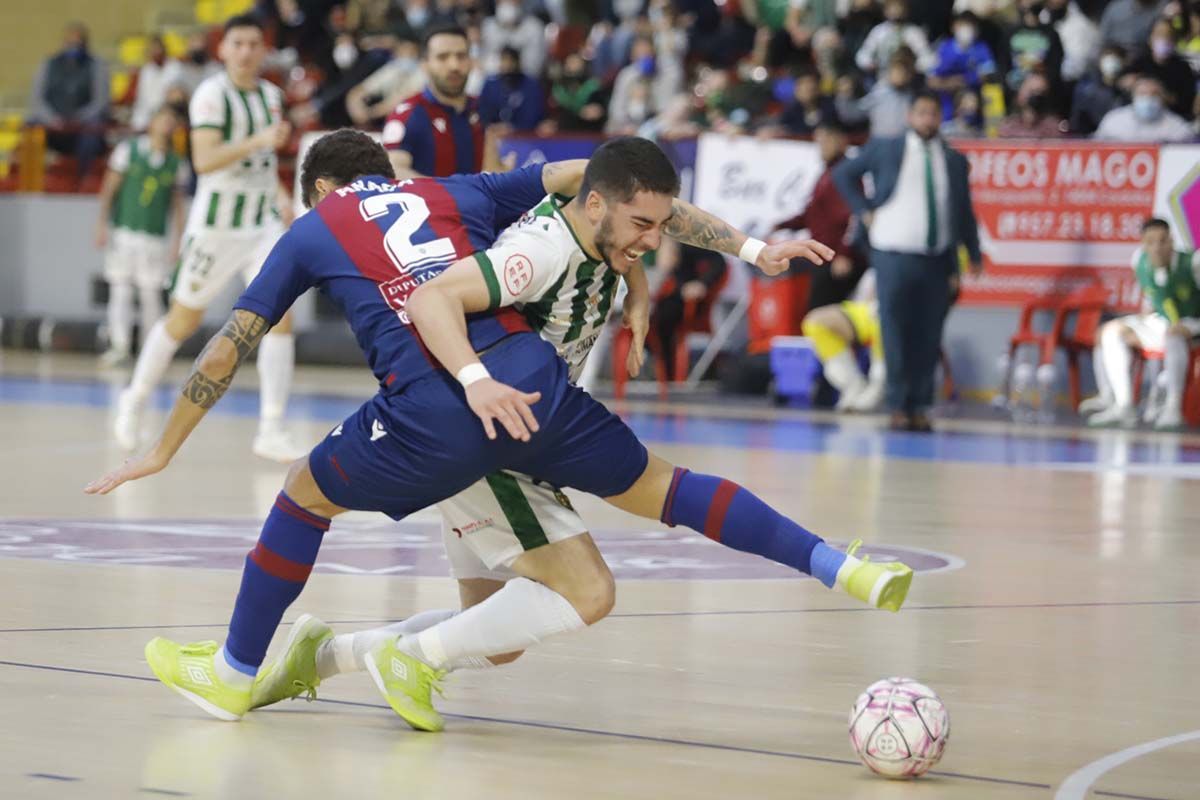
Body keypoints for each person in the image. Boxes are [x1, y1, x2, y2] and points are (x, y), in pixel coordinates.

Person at [85, 132, 913, 730]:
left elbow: (233, 342)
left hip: (440, 410)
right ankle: (836, 565)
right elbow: (606, 176)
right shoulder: (458, 192)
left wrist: (163, 448)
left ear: (321, 193)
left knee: (302, 495)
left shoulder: (313, 227)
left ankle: (235, 672)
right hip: (540, 388)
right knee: (667, 491)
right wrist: (750, 246)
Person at [111, 15, 300, 462]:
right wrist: (258, 140)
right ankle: (134, 399)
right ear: (223, 49)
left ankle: (271, 427)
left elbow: (263, 163)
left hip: (262, 227)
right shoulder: (211, 95)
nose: (247, 51)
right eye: (238, 43)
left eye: (255, 43)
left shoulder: (272, 97)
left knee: (282, 316)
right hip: (216, 229)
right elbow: (205, 160)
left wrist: (280, 196)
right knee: (183, 321)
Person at [833, 90, 983, 433]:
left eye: (933, 114)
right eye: (922, 113)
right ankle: (899, 405)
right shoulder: (887, 148)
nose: (927, 120)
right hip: (892, 254)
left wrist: (971, 254)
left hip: (936, 257)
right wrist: (863, 209)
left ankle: (920, 405)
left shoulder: (953, 159)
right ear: (909, 116)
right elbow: (843, 174)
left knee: (928, 333)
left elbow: (963, 212)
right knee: (896, 330)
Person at [1082, 218, 1200, 429]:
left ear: (1171, 241)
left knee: (1174, 333)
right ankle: (1121, 403)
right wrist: (1142, 322)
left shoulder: (1193, 263)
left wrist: (1191, 327)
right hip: (1163, 323)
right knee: (1110, 331)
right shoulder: (1139, 261)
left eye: (1162, 241)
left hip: (1194, 324)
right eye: (1150, 242)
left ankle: (1173, 408)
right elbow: (1152, 298)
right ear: (1143, 244)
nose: (1157, 248)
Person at [93, 106, 189, 367]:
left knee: (151, 294)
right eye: (164, 119)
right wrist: (102, 223)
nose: (167, 125)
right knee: (120, 290)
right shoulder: (128, 151)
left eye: (172, 121)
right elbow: (110, 187)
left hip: (155, 237)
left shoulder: (175, 163)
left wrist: (178, 241)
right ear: (152, 122)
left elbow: (177, 206)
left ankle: (152, 350)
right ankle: (119, 347)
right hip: (124, 231)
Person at [381, 25, 485, 179]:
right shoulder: (407, 114)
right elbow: (394, 170)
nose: (454, 66)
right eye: (442, 57)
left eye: (461, 56)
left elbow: (492, 168)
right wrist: (450, 194)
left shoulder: (482, 108)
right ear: (424, 64)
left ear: (471, 62)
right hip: (431, 202)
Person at [26, 21, 109, 182]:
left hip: (82, 126)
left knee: (94, 127)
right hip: (53, 124)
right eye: (71, 42)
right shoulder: (48, 64)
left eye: (79, 42)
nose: (74, 47)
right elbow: (36, 100)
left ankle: (84, 179)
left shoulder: (96, 65)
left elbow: (101, 102)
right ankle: (33, 181)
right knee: (31, 125)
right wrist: (53, 119)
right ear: (64, 42)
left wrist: (78, 119)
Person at [801, 271, 885, 412]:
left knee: (884, 321)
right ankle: (852, 385)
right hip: (869, 309)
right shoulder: (875, 271)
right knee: (815, 322)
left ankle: (880, 386)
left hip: (901, 316)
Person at [1093, 74, 1194, 142]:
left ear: (1163, 99)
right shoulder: (1113, 120)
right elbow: (1095, 145)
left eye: (1154, 94)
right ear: (1133, 97)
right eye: (1142, 94)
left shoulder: (1176, 126)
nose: (1148, 98)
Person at [478, 46, 545, 132]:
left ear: (518, 62)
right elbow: (483, 114)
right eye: (504, 60)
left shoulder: (532, 86)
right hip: (493, 136)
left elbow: (533, 118)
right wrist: (492, 127)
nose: (507, 65)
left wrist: (513, 128)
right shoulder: (490, 85)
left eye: (511, 60)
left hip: (524, 138)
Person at [130, 36, 186, 131]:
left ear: (163, 49)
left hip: (168, 115)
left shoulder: (175, 67)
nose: (155, 52)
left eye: (157, 49)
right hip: (146, 118)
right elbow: (142, 99)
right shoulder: (146, 70)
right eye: (152, 49)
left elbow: (175, 96)